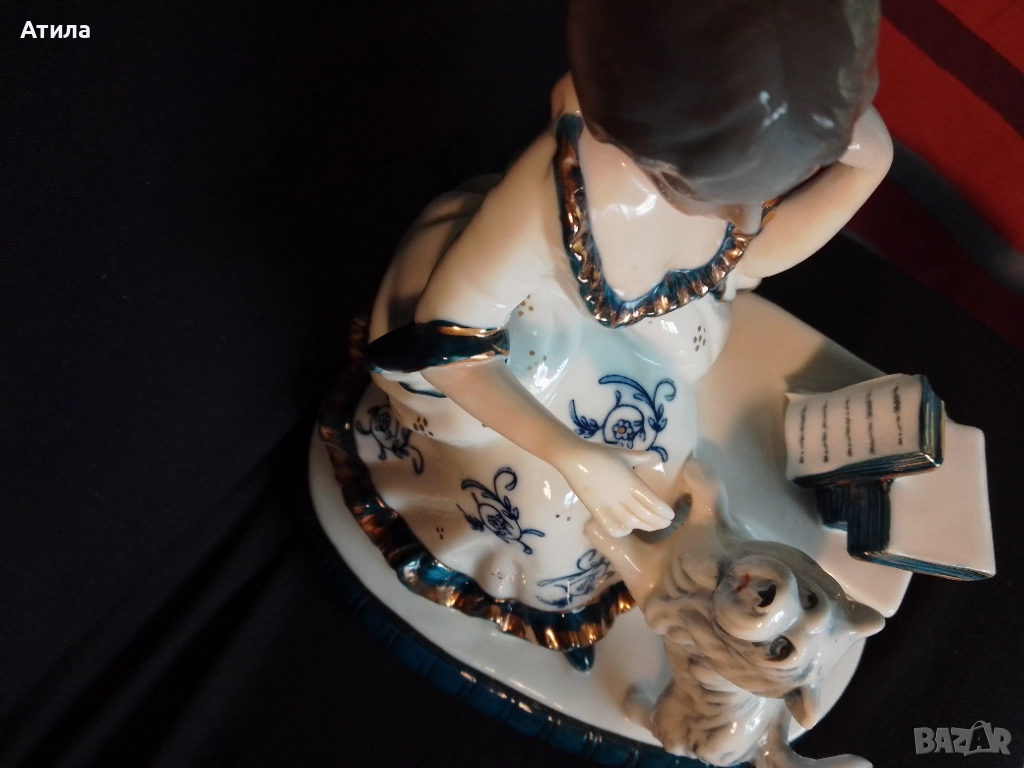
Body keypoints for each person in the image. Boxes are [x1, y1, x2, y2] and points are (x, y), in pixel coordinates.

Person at [348, 0, 893, 658]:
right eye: (731, 192)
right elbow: (447, 345)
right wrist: (575, 458)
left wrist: (864, 168)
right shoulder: (561, 196)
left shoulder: (750, 140)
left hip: (624, 337)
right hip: (507, 358)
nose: (742, 214)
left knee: (665, 425)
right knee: (550, 510)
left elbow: (746, 259)